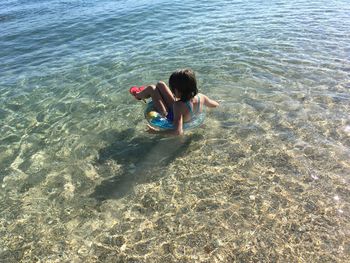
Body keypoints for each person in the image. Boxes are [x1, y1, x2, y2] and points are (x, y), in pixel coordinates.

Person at [130, 68, 219, 135]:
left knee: (152, 88)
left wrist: (155, 132)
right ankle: (142, 93)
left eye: (172, 90)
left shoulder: (178, 106)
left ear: (177, 91)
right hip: (186, 110)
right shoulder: (201, 97)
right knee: (160, 84)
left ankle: (138, 95)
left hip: (169, 115)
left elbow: (178, 131)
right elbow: (214, 105)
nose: (172, 92)